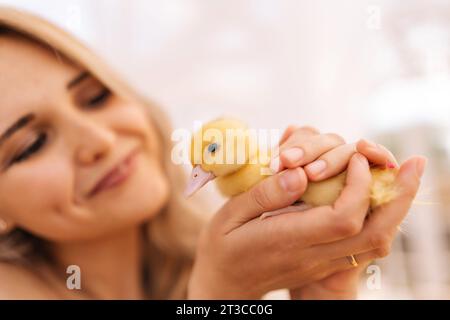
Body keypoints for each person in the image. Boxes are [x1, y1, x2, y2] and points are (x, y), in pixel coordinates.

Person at [0, 7, 426, 299]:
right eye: (31, 145)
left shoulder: (204, 252)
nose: (101, 141)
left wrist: (323, 292)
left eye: (95, 98)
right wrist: (219, 296)